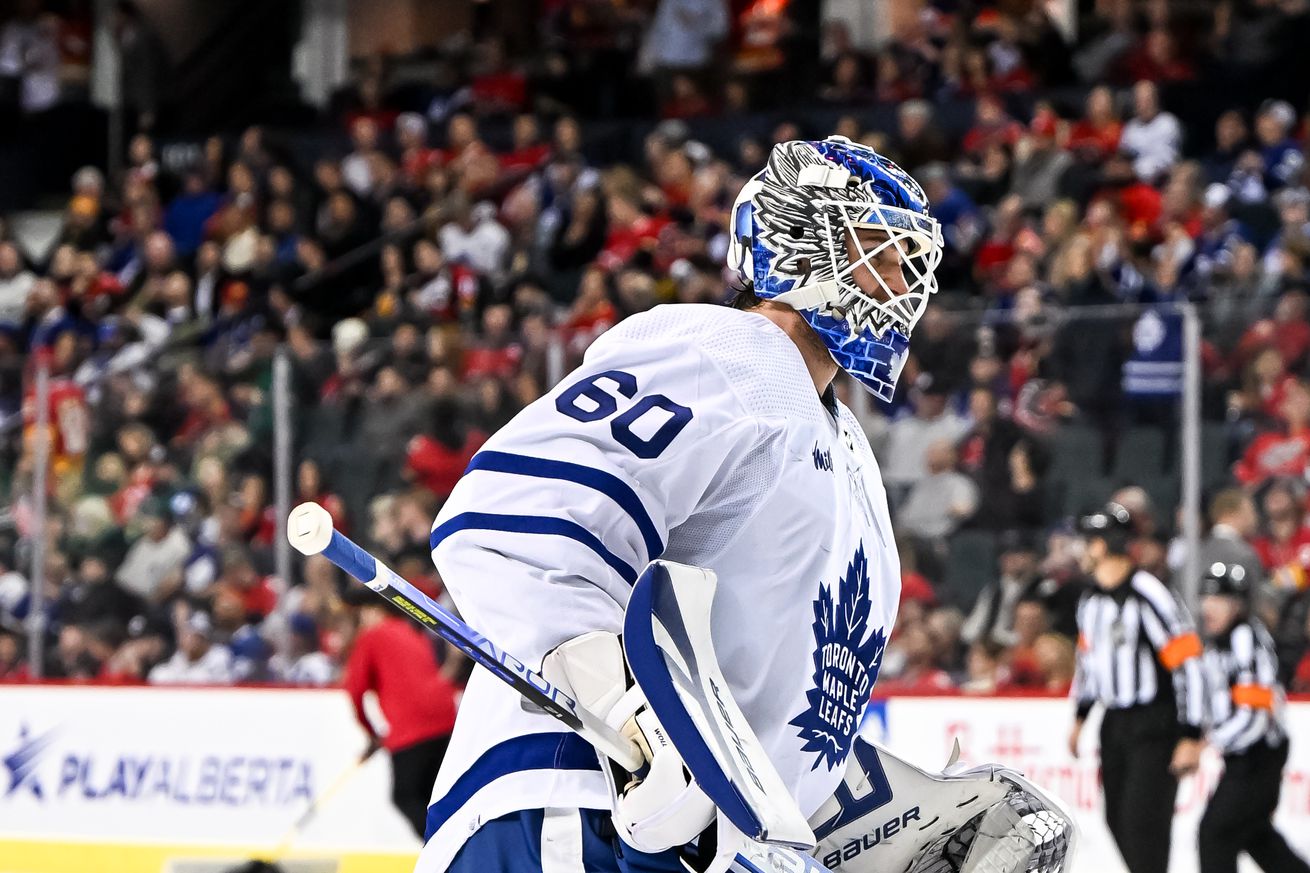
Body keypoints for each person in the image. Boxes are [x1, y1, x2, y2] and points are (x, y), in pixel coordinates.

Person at [420, 137, 947, 872]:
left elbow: (774, 702)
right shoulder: (732, 354)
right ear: (798, 249)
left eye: (907, 261)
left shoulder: (850, 452)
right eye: (877, 251)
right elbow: (516, 519)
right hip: (576, 803)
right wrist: (634, 717)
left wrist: (884, 818)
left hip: (697, 849)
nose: (902, 280)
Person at [1069, 502, 1207, 873]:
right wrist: (1081, 716)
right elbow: (1089, 663)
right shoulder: (1091, 599)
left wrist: (1192, 733)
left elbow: (1188, 661)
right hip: (1115, 723)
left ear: (1101, 546)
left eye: (1085, 541)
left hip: (1154, 724)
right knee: (1116, 819)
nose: (1079, 550)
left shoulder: (1148, 592)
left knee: (1144, 825)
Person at [1196, 562, 1310, 873]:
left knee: (1215, 833)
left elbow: (1256, 718)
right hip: (1246, 755)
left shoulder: (1247, 639)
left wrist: (1207, 741)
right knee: (1254, 834)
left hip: (1259, 756)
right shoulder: (1217, 643)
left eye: (1218, 601)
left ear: (1238, 606)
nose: (1209, 608)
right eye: (1206, 599)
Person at [340, 586, 458, 839]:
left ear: (370, 612)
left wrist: (371, 734)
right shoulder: (410, 631)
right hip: (446, 720)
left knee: (404, 796)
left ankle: (443, 851)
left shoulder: (372, 637)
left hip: (412, 729)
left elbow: (354, 689)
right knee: (433, 796)